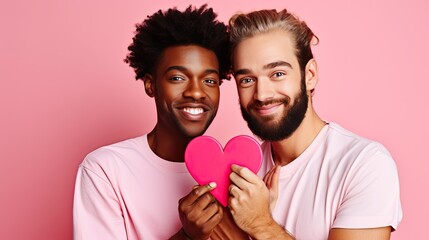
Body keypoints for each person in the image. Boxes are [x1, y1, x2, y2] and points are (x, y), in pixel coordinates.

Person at [226, 9, 403, 240]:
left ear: (309, 74)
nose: (261, 94)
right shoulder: (239, 175)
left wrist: (261, 225)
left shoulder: (364, 164)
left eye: (277, 74)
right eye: (247, 80)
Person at [72, 5, 243, 240]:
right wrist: (186, 236)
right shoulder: (105, 170)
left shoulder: (240, 173)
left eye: (210, 81)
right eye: (177, 78)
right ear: (151, 85)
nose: (196, 92)